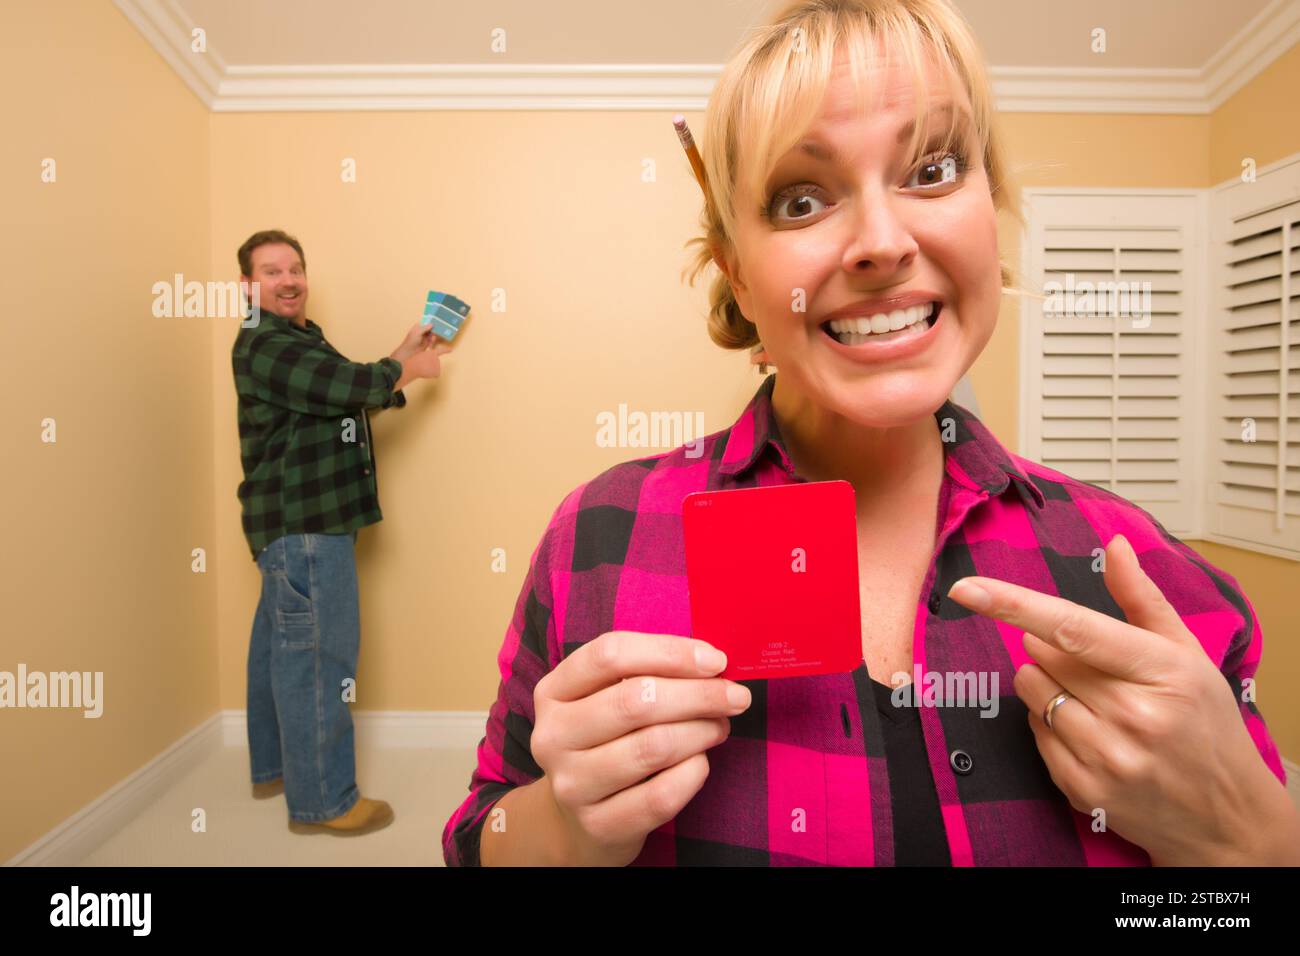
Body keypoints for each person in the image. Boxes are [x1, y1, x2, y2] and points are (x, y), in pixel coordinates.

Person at [442, 0, 1299, 865]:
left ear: (989, 211)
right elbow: (481, 838)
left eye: (932, 170)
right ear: (739, 278)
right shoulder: (597, 537)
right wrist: (561, 826)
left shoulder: (1147, 575)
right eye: (801, 198)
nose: (882, 243)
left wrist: (1249, 839)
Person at [232, 229, 451, 835]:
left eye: (295, 267)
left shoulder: (299, 339)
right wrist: (406, 369)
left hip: (294, 525)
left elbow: (339, 401)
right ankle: (325, 800)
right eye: (272, 271)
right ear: (247, 286)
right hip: (306, 526)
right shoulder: (262, 341)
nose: (288, 279)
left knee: (278, 650)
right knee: (319, 659)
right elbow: (349, 388)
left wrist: (402, 353)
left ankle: (278, 768)